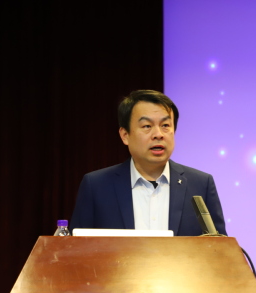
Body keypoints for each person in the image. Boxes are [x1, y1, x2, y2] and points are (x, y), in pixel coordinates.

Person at [70, 90, 226, 236]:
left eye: (165, 126)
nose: (158, 134)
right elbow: (76, 249)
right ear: (125, 135)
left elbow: (220, 249)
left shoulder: (200, 184)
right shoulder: (97, 186)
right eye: (147, 126)